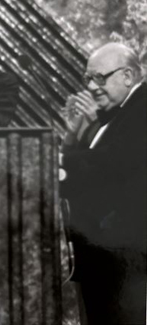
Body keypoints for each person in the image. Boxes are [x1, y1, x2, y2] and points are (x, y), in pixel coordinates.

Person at [60, 43, 146, 324]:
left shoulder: (142, 106)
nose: (91, 87)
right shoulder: (113, 116)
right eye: (88, 78)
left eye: (99, 78)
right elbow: (81, 178)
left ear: (128, 76)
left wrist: (55, 162)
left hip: (125, 260)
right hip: (101, 260)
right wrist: (73, 134)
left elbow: (112, 163)